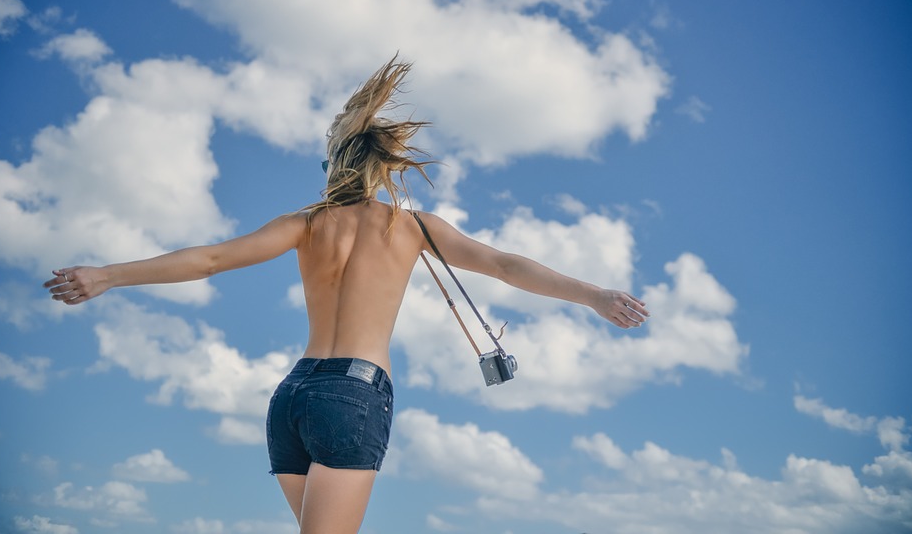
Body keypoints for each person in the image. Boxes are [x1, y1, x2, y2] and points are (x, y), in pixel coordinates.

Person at [43, 56, 649, 534]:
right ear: (385, 167)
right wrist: (594, 295)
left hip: (293, 396)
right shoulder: (411, 228)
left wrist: (107, 274)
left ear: (334, 164)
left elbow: (209, 260)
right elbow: (505, 265)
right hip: (352, 394)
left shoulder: (306, 224)